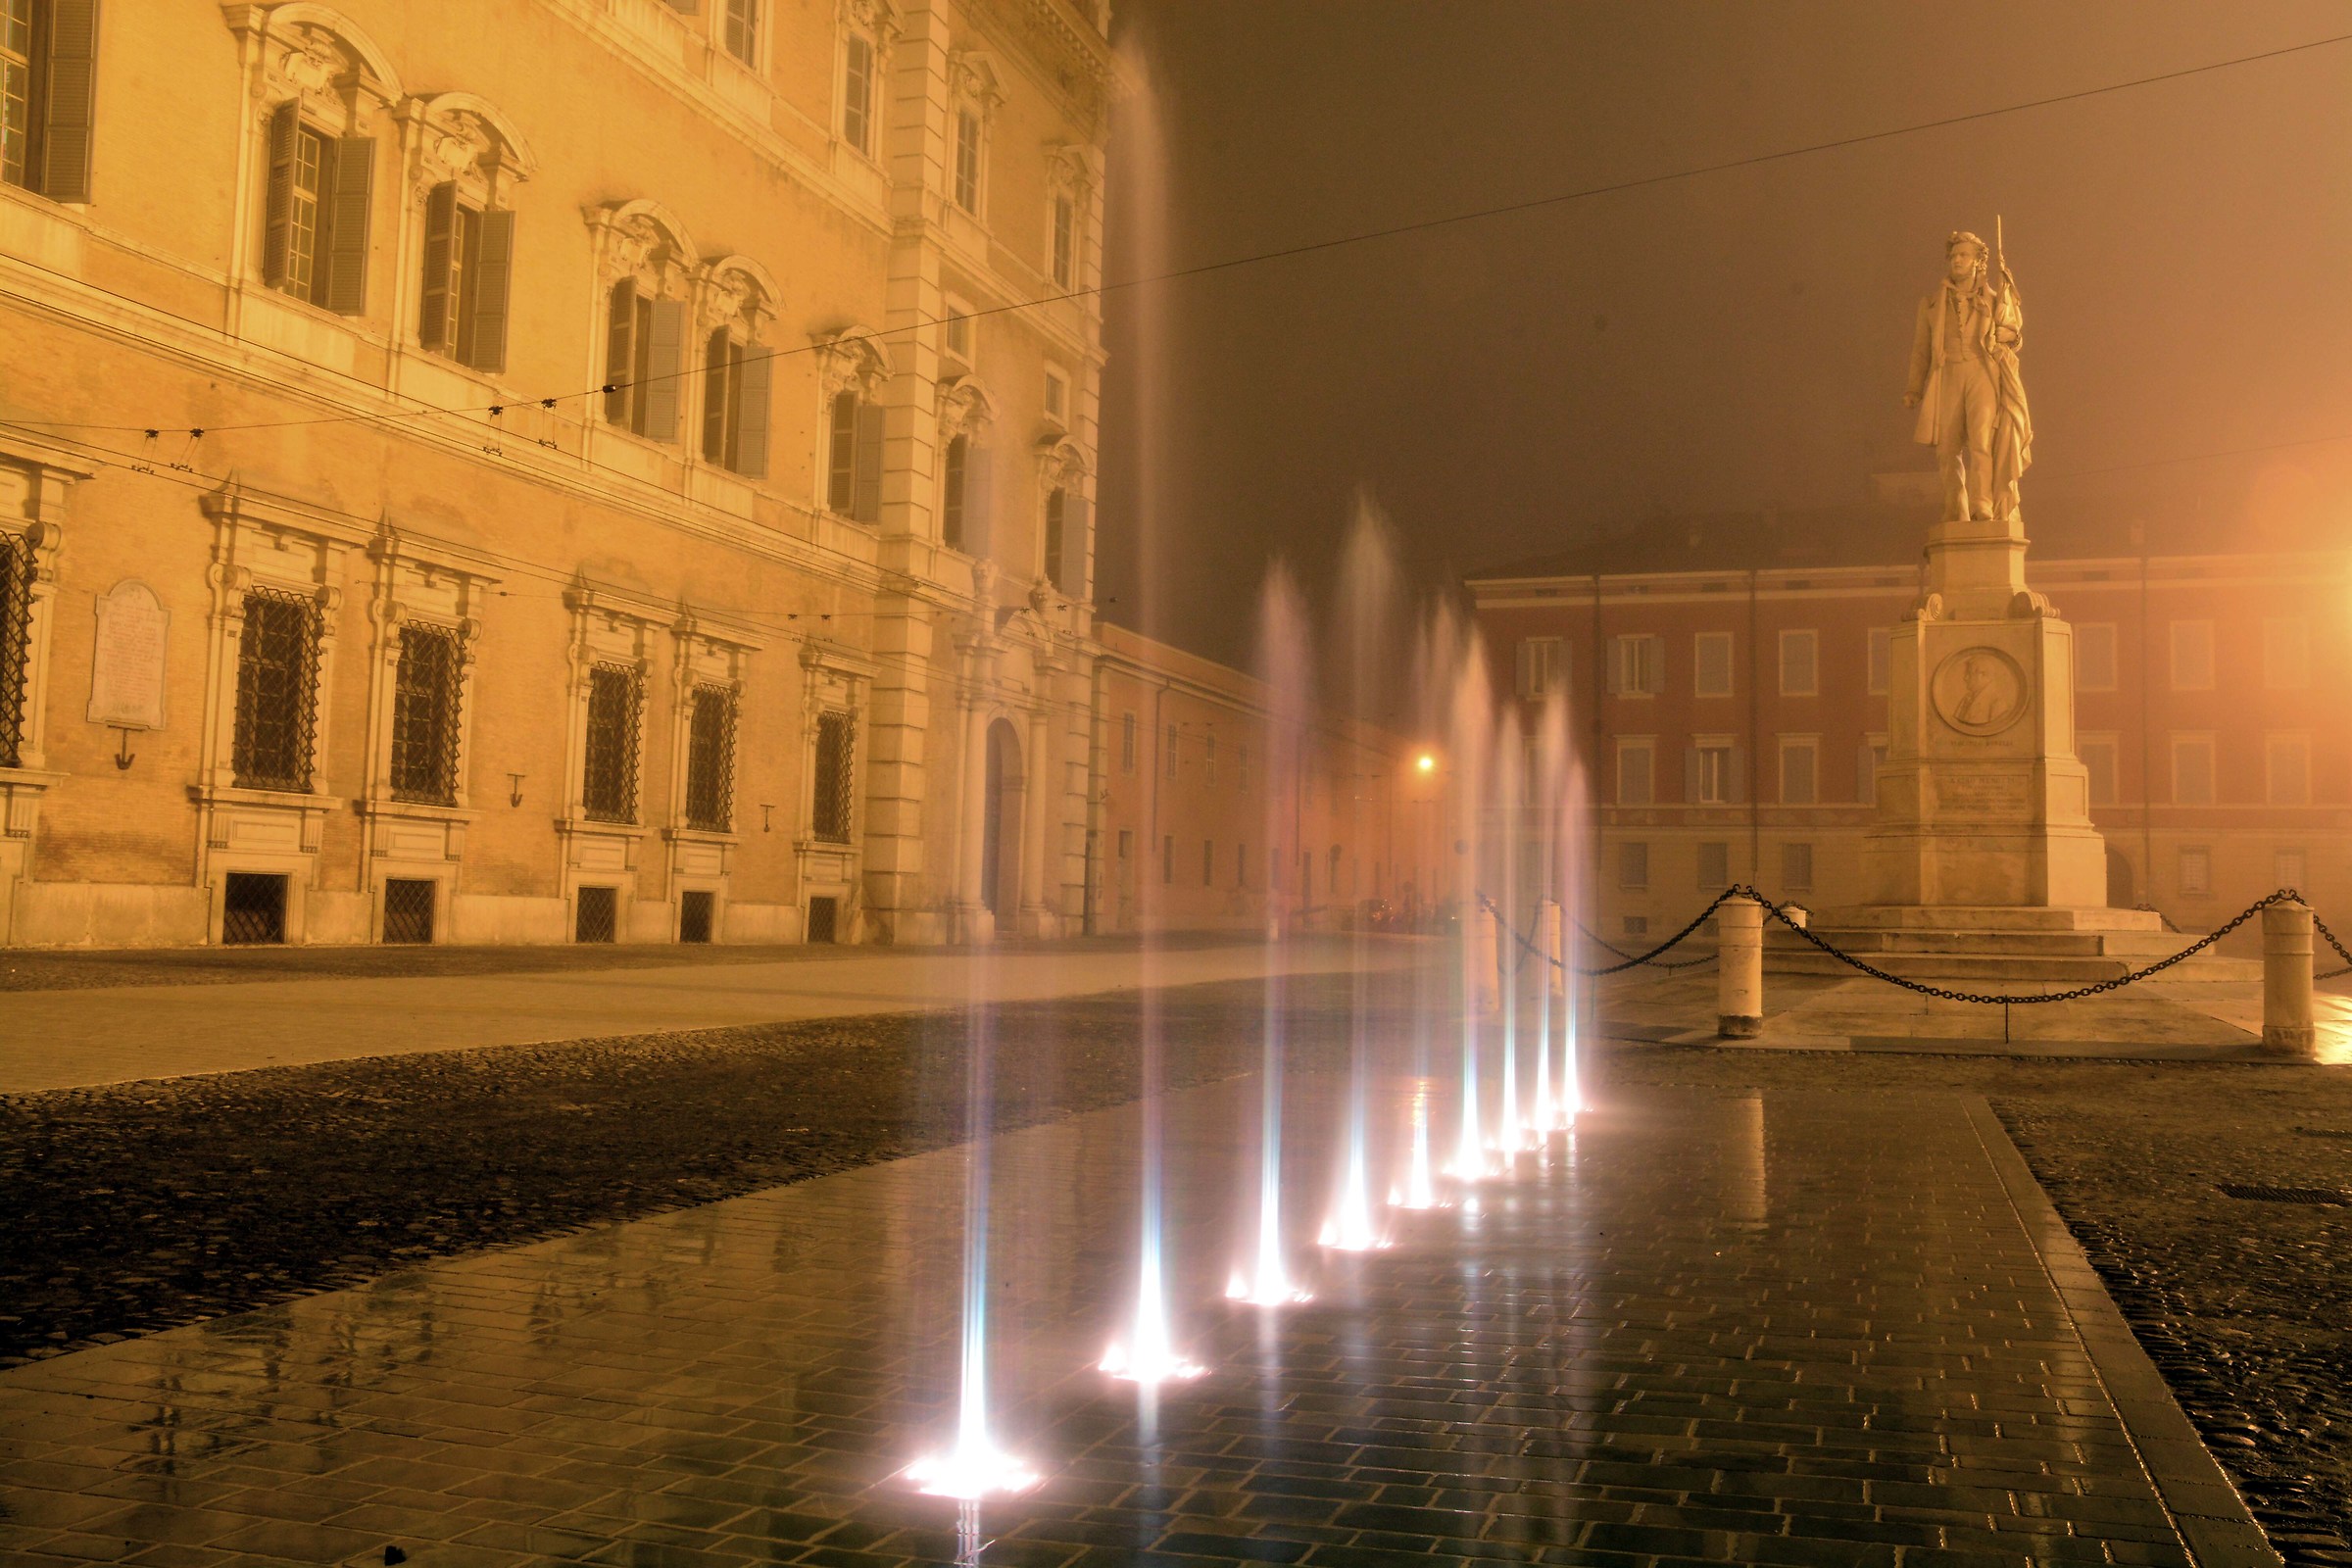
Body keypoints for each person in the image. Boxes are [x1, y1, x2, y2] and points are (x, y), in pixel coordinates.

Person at [1904, 230, 2031, 522]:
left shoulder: (1995, 299)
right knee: (1947, 450)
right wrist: (1914, 388)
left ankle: (1982, 504)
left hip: (1980, 372)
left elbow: (2012, 336)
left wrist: (2008, 334)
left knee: (1981, 442)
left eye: (1964, 255)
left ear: (1978, 262)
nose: (1957, 260)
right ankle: (1955, 509)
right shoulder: (1931, 304)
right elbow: (1920, 350)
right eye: (1953, 256)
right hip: (1947, 375)